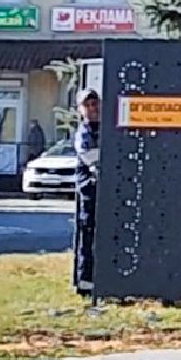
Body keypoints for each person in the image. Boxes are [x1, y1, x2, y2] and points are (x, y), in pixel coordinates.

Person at [73, 89, 102, 295]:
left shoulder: (107, 128)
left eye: (95, 104)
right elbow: (92, 158)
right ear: (80, 109)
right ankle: (84, 282)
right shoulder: (83, 132)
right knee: (87, 235)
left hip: (104, 190)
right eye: (87, 105)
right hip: (89, 189)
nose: (92, 109)